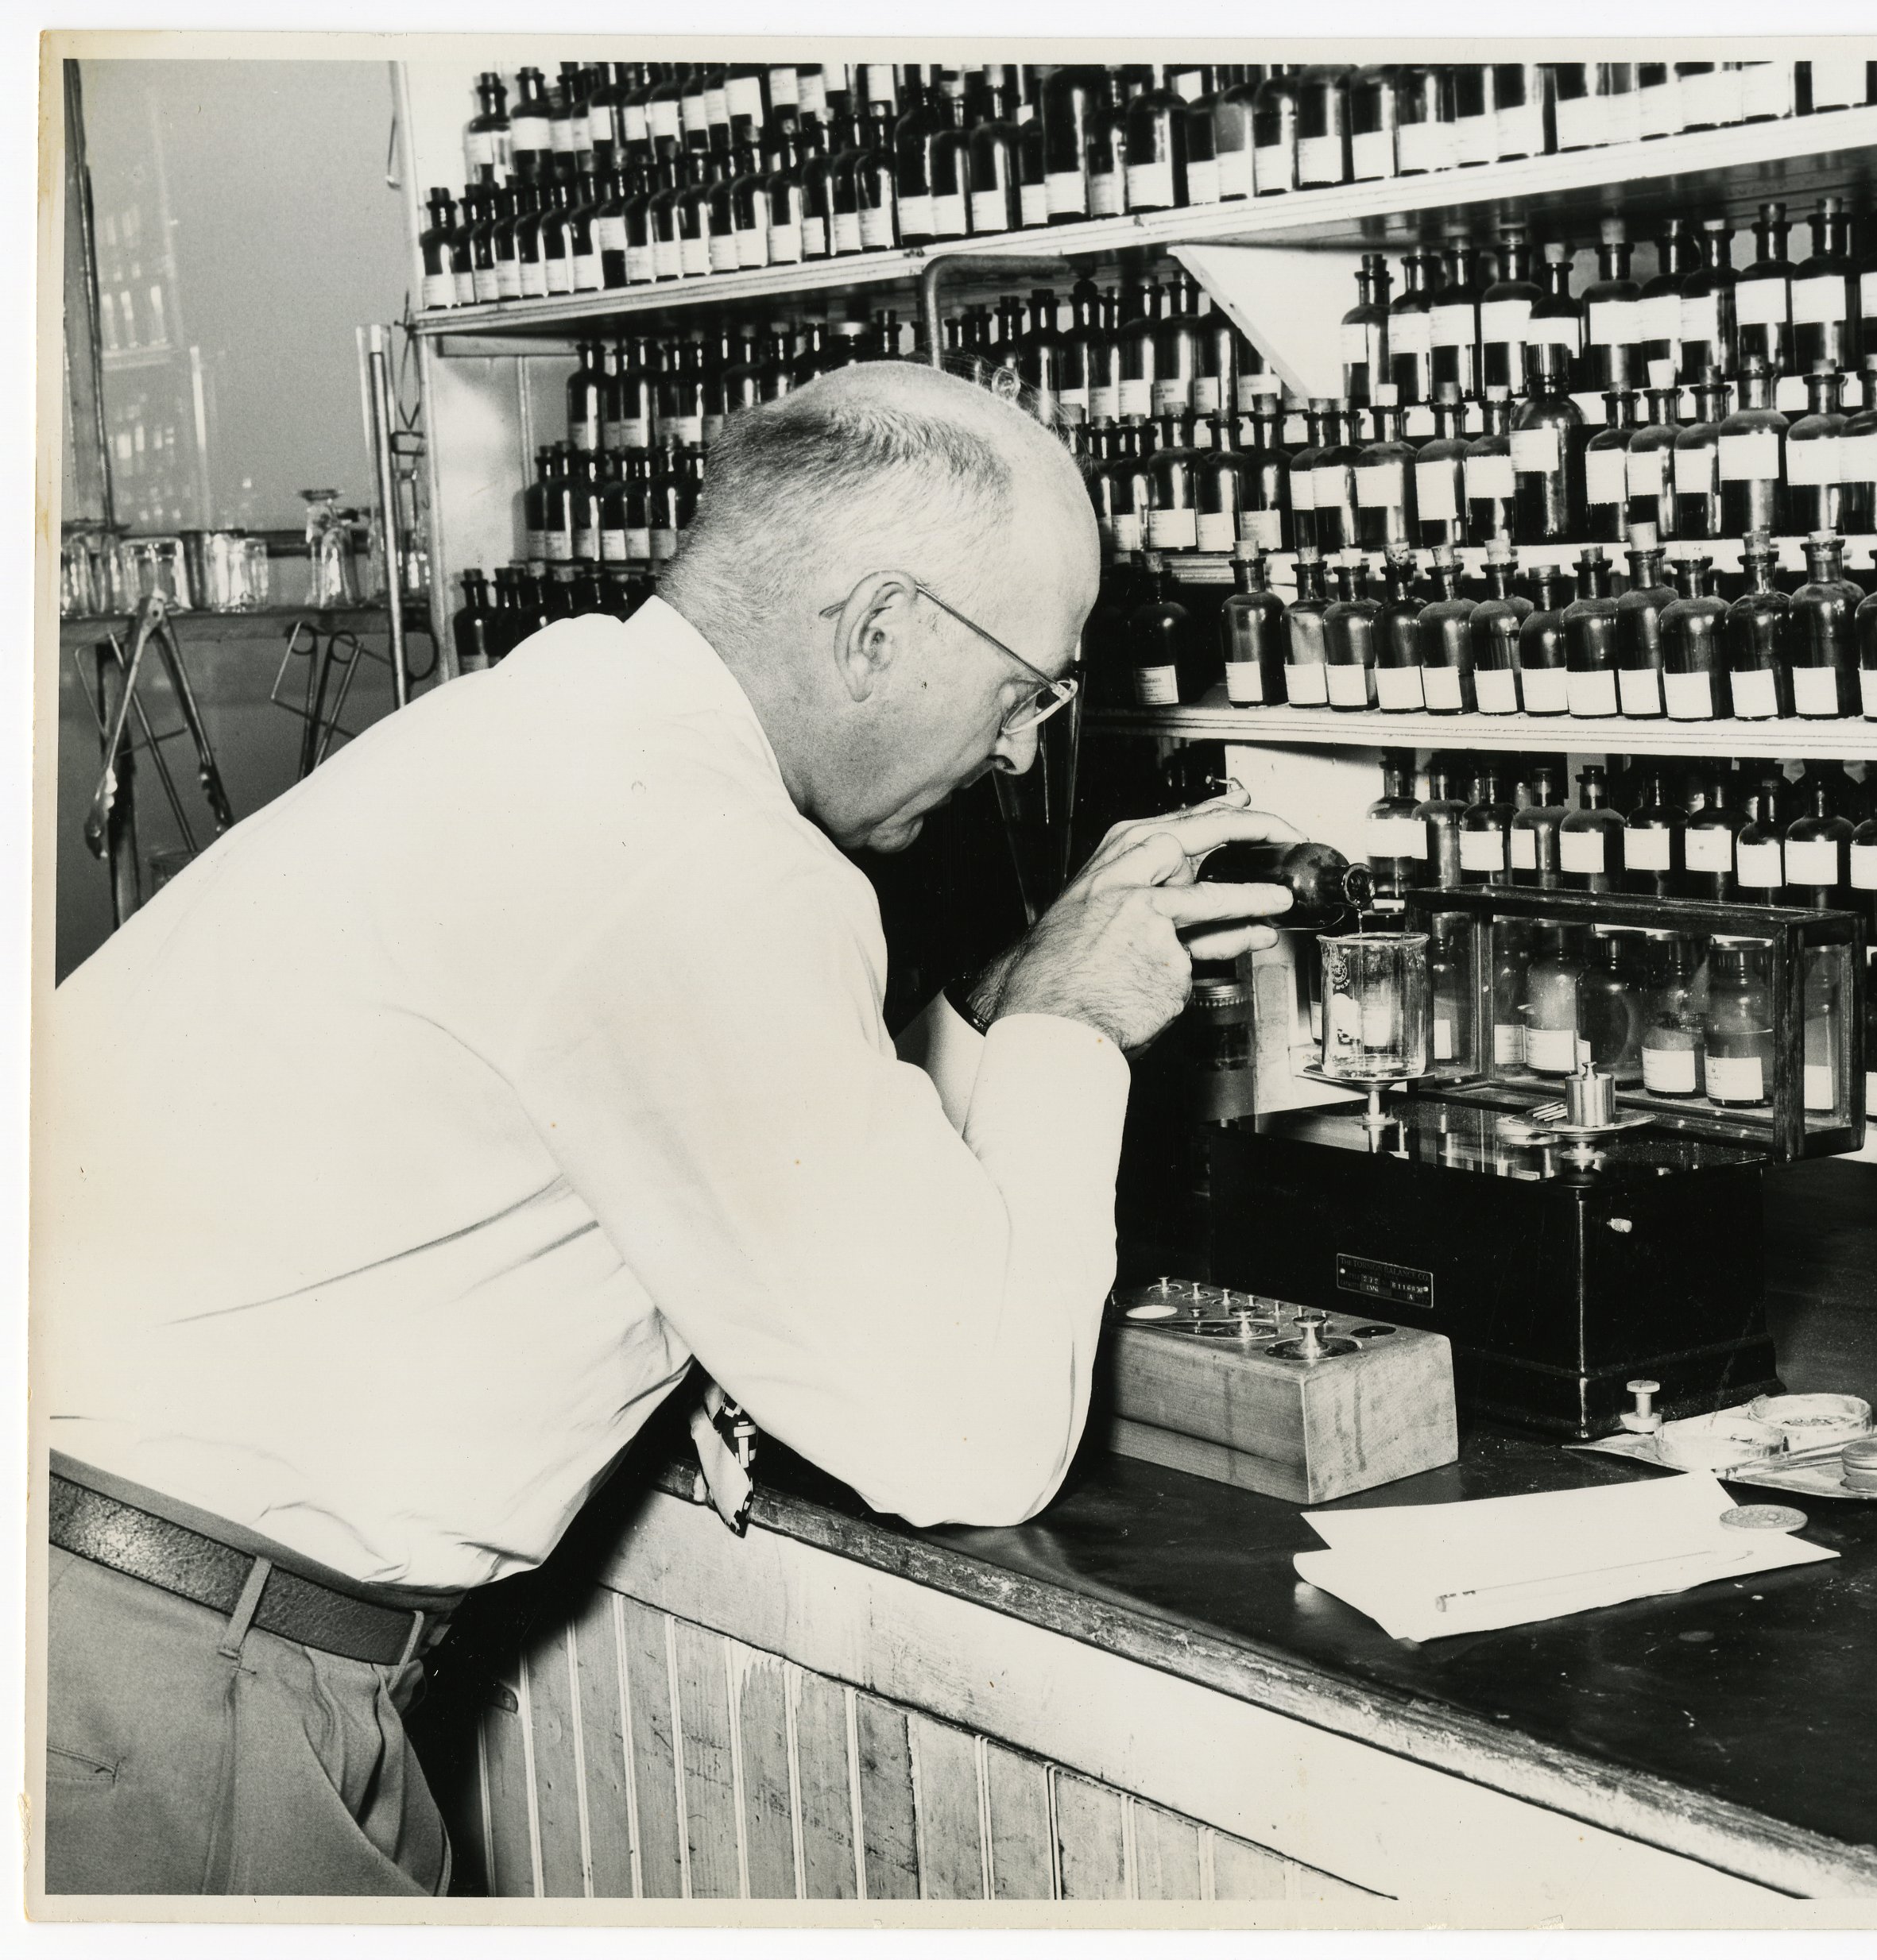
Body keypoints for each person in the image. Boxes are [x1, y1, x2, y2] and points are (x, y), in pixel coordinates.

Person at [35, 361, 1298, 1895]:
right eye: (1027, 690)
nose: (1024, 749)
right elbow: (972, 1437)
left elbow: (738, 1144)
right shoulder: (705, 854)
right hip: (167, 1688)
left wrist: (1011, 999)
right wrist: (1073, 1028)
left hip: (153, 1633)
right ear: (879, 628)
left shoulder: (568, 725)